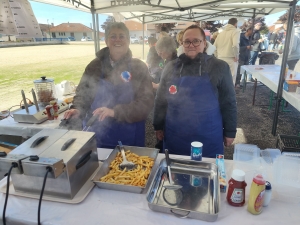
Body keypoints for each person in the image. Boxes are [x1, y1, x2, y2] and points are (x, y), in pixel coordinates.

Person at [64, 22, 154, 148]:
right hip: (97, 134)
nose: (117, 40)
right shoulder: (94, 65)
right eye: (113, 36)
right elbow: (83, 94)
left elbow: (146, 102)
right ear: (106, 41)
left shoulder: (138, 67)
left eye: (122, 36)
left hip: (129, 135)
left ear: (128, 41)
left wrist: (115, 112)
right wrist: (78, 108)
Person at [153, 25, 237, 157]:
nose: (191, 45)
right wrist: (157, 125)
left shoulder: (220, 67)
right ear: (182, 44)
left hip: (208, 136)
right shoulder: (170, 67)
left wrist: (230, 131)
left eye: (196, 41)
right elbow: (160, 99)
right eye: (187, 41)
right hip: (175, 134)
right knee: (174, 172)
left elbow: (229, 102)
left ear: (204, 43)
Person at [213, 18, 240, 86]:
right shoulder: (235, 31)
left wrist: (217, 56)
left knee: (220, 78)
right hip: (231, 58)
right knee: (231, 79)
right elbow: (235, 45)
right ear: (235, 24)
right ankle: (229, 95)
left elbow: (214, 47)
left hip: (220, 58)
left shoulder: (221, 34)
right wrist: (236, 56)